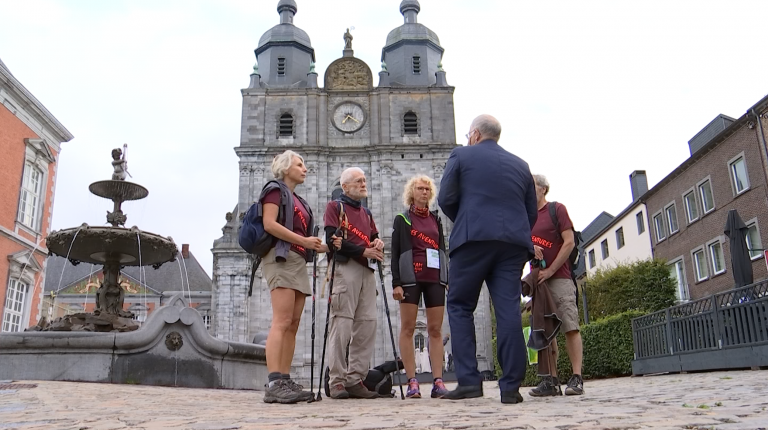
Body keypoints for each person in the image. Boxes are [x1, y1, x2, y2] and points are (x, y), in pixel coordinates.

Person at [438, 114, 538, 404]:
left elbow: (446, 197)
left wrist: (468, 220)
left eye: (470, 135)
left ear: (476, 135)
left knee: (459, 306)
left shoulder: (461, 154)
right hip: (513, 244)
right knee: (508, 309)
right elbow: (530, 212)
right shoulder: (521, 165)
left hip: (472, 240)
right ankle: (510, 388)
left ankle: (469, 381)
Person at [261, 150, 338, 404]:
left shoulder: (299, 201)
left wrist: (330, 245)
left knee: (293, 324)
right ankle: (273, 383)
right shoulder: (274, 190)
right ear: (285, 168)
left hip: (297, 261)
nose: (304, 168)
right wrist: (303, 240)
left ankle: (284, 379)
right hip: (280, 258)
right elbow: (270, 224)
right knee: (281, 321)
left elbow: (308, 242)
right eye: (299, 164)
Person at [323, 167, 384, 399]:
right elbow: (332, 240)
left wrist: (378, 244)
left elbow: (374, 236)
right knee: (342, 325)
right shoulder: (334, 207)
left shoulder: (367, 213)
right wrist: (364, 251)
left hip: (367, 271)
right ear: (345, 186)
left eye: (364, 180)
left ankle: (355, 378)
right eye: (358, 181)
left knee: (367, 324)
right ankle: (337, 380)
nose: (363, 183)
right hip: (345, 268)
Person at [391, 175, 450, 398]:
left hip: (434, 277)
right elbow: (395, 253)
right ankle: (412, 381)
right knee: (408, 328)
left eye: (427, 189)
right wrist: (396, 283)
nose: (424, 192)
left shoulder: (437, 220)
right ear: (411, 192)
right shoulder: (402, 219)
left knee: (435, 330)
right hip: (410, 278)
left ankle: (438, 381)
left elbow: (442, 250)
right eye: (419, 188)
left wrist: (447, 278)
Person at [528, 174, 584, 397]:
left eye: (531, 186)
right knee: (545, 331)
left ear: (543, 189)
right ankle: (551, 380)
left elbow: (569, 242)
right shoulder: (525, 217)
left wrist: (551, 270)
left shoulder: (556, 209)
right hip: (539, 282)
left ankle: (577, 377)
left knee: (570, 325)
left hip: (559, 277)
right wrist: (529, 246)